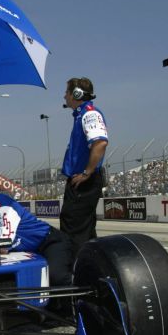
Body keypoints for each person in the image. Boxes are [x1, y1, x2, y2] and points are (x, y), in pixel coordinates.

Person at [0, 179, 72, 286]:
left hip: (48, 241)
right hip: (27, 251)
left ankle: (77, 303)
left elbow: (2, 248)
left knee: (55, 277)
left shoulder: (1, 205)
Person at [60, 77, 108, 254]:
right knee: (83, 230)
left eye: (67, 92)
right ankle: (90, 266)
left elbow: (100, 143)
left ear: (76, 94)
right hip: (80, 181)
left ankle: (76, 270)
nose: (64, 96)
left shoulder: (90, 114)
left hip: (83, 181)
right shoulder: (81, 115)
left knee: (74, 230)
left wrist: (87, 173)